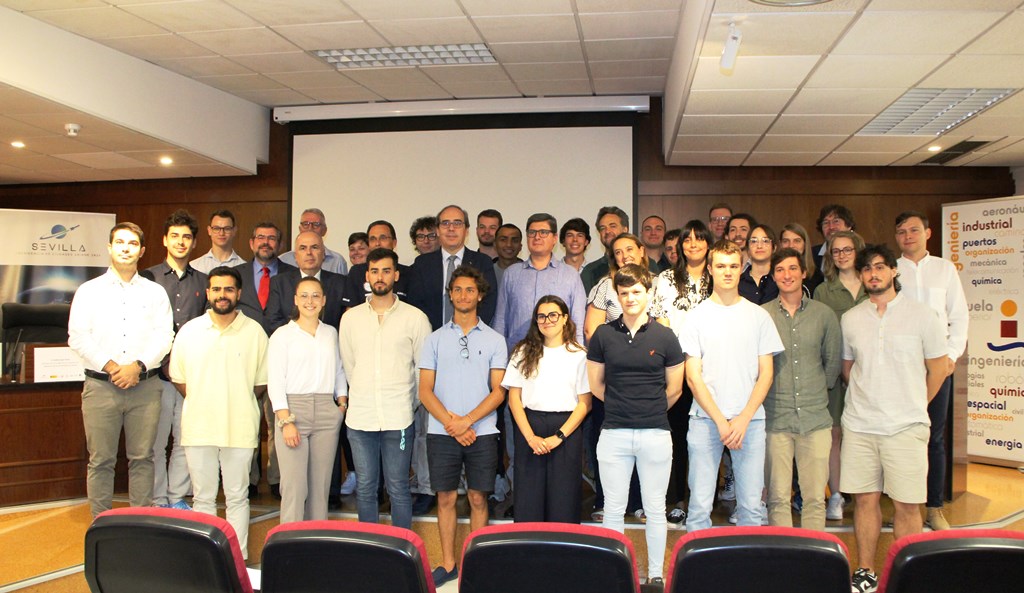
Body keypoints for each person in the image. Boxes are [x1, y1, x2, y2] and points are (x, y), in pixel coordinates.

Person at [841, 244, 947, 593]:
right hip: (860, 426)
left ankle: (909, 574)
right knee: (865, 501)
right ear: (860, 275)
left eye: (880, 267)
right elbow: (848, 369)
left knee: (907, 504)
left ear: (893, 271)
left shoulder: (922, 315)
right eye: (867, 269)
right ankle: (865, 571)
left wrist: (916, 402)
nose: (874, 274)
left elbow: (938, 368)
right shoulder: (851, 318)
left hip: (906, 427)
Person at [587, 264, 685, 588]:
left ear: (648, 293)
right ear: (617, 295)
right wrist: (622, 408)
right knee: (613, 510)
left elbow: (675, 389)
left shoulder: (665, 336)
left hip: (655, 433)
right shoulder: (602, 335)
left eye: (636, 292)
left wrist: (649, 410)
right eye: (624, 292)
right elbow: (596, 385)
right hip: (613, 433)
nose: (630, 298)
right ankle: (613, 574)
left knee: (656, 510)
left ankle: (656, 575)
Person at [68, 222, 174, 516]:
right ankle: (100, 523)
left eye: (132, 244)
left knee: (143, 458)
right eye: (120, 242)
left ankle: (139, 522)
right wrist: (112, 366)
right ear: (110, 248)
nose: (125, 248)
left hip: (145, 386)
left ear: (141, 251)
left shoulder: (155, 293)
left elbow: (165, 336)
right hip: (101, 386)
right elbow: (77, 336)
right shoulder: (88, 291)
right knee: (101, 460)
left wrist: (137, 367)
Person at [679, 240, 784, 532]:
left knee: (751, 507)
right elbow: (692, 377)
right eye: (721, 266)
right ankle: (695, 574)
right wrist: (721, 422)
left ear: (742, 269)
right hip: (705, 421)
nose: (727, 272)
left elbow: (766, 375)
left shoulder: (759, 316)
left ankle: (748, 575)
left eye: (734, 266)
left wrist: (742, 419)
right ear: (710, 269)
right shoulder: (696, 316)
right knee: (699, 506)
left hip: (749, 422)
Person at [170, 266, 269, 560]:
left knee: (238, 497)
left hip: (239, 428)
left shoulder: (255, 332)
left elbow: (260, 383)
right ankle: (206, 559)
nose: (222, 295)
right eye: (216, 289)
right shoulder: (190, 332)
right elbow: (179, 379)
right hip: (200, 427)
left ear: (239, 293)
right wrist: (208, 400)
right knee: (203, 498)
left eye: (228, 289)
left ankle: (236, 559)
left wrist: (233, 401)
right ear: (208, 293)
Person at [406, 204, 499, 514]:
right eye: (444, 223)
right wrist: (440, 344)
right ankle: (424, 487)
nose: (449, 228)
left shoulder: (482, 262)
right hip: (435, 352)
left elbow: (486, 308)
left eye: (456, 223)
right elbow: (418, 312)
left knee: (477, 494)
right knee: (425, 428)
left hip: (473, 353)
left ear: (466, 229)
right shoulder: (422, 264)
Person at [418, 266, 507, 587]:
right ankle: (449, 564)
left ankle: (476, 565)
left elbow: (499, 391)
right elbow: (425, 390)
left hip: (481, 432)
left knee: (478, 498)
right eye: (457, 290)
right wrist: (452, 424)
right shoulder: (434, 339)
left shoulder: (496, 340)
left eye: (470, 290)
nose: (463, 295)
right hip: (442, 433)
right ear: (450, 294)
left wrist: (467, 421)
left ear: (480, 295)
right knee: (444, 498)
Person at [492, 212, 587, 507]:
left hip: (562, 375)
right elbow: (500, 322)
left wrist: (578, 365)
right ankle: (517, 495)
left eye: (544, 232)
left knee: (562, 469)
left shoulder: (570, 276)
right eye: (532, 232)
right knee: (518, 440)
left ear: (554, 239)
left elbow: (579, 327)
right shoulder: (512, 275)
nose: (537, 237)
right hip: (521, 370)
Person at [339, 247, 432, 530]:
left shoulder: (415, 318)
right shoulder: (350, 318)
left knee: (398, 489)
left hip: (399, 418)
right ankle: (372, 554)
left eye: (386, 271)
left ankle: (401, 553)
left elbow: (422, 369)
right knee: (366, 489)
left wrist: (409, 402)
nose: (380, 277)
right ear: (367, 276)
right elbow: (350, 366)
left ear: (396, 275)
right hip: (361, 418)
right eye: (375, 271)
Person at [894, 210, 968, 531]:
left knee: (933, 437)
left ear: (928, 233)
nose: (907, 236)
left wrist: (951, 355)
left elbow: (959, 316)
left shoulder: (944, 269)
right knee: (898, 436)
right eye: (901, 231)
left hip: (937, 365)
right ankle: (900, 504)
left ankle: (934, 507)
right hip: (901, 368)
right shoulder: (892, 270)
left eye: (913, 230)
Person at [762, 248, 841, 531]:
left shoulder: (824, 315)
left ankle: (813, 558)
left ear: (804, 272)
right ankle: (784, 556)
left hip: (815, 419)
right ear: (773, 276)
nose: (787, 275)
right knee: (779, 498)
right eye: (780, 270)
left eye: (793, 268)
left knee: (815, 498)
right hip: (776, 420)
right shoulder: (762, 315)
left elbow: (832, 365)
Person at [141, 210, 208, 511]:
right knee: (155, 442)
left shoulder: (205, 281)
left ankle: (176, 496)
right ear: (165, 240)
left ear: (194, 243)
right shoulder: (148, 278)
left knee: (185, 439)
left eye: (187, 237)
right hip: (155, 373)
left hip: (190, 376)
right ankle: (157, 499)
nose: (181, 242)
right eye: (175, 236)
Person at [648, 219, 714, 526]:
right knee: (675, 435)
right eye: (687, 240)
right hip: (675, 367)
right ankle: (676, 499)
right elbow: (659, 318)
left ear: (708, 244)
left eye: (699, 239)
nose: (693, 244)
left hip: (712, 370)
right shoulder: (666, 278)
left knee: (706, 438)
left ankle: (702, 500)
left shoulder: (718, 278)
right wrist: (677, 357)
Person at [267, 276, 347, 523]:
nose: (309, 301)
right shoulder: (282, 335)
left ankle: (316, 548)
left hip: (326, 411)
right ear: (295, 300)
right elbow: (276, 381)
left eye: (315, 296)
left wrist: (341, 404)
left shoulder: (330, 333)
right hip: (293, 412)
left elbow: (339, 370)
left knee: (320, 488)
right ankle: (289, 551)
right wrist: (285, 420)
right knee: (294, 487)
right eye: (304, 295)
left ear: (323, 300)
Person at [506, 295, 591, 523]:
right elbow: (514, 398)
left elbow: (585, 403)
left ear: (565, 318)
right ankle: (529, 556)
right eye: (541, 316)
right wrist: (530, 437)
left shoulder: (579, 355)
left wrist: (559, 437)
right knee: (528, 501)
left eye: (553, 315)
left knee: (564, 501)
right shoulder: (522, 352)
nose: (547, 320)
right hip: (529, 428)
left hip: (566, 431)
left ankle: (564, 558)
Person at [233, 221, 295, 499]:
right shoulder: (236, 275)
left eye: (272, 238)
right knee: (246, 421)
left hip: (283, 361)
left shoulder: (294, 276)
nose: (266, 243)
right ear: (251, 242)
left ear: (280, 245)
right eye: (260, 238)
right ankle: (247, 479)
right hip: (243, 359)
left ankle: (277, 480)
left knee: (278, 420)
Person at [813, 230, 867, 521]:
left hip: (870, 375)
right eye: (836, 251)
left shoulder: (874, 284)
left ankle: (863, 495)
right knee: (834, 435)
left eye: (848, 249)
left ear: (858, 251)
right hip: (836, 374)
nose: (843, 255)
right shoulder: (824, 290)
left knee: (861, 436)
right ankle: (835, 495)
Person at [266, 231, 347, 333]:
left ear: (323, 254)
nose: (309, 253)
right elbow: (273, 320)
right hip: (292, 345)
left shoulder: (340, 283)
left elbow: (345, 322)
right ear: (295, 256)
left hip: (329, 343)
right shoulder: (279, 282)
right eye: (303, 248)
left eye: (314, 247)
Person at [584, 232, 650, 342]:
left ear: (641, 251)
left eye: (629, 249)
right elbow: (591, 332)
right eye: (618, 252)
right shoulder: (605, 286)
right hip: (613, 352)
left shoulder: (658, 283)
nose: (625, 256)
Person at [343, 220, 411, 306]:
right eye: (373, 239)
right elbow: (350, 310)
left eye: (383, 238)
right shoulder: (357, 272)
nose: (377, 243)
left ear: (394, 243)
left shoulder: (409, 273)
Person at [278, 208, 349, 274]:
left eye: (316, 224)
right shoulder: (284, 260)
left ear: (324, 230)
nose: (310, 228)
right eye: (306, 224)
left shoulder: (337, 261)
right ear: (300, 229)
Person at [581, 206, 629, 294]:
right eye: (603, 228)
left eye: (613, 226)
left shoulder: (646, 263)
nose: (607, 231)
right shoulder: (589, 271)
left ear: (625, 230)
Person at [779, 222, 823, 296]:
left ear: (805, 244)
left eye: (797, 241)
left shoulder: (817, 275)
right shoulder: (773, 273)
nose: (791, 245)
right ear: (780, 244)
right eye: (786, 241)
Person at [738, 223, 778, 305]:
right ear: (748, 249)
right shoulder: (737, 282)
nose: (759, 246)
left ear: (774, 248)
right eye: (754, 241)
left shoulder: (780, 280)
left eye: (765, 241)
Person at [812, 204, 855, 273]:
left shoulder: (864, 251)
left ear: (849, 225)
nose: (831, 227)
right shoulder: (811, 254)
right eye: (826, 223)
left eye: (836, 221)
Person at [493, 223, 523, 289]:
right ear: (495, 244)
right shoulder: (486, 272)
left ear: (520, 247)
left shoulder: (528, 273)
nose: (509, 245)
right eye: (503, 240)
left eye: (515, 240)